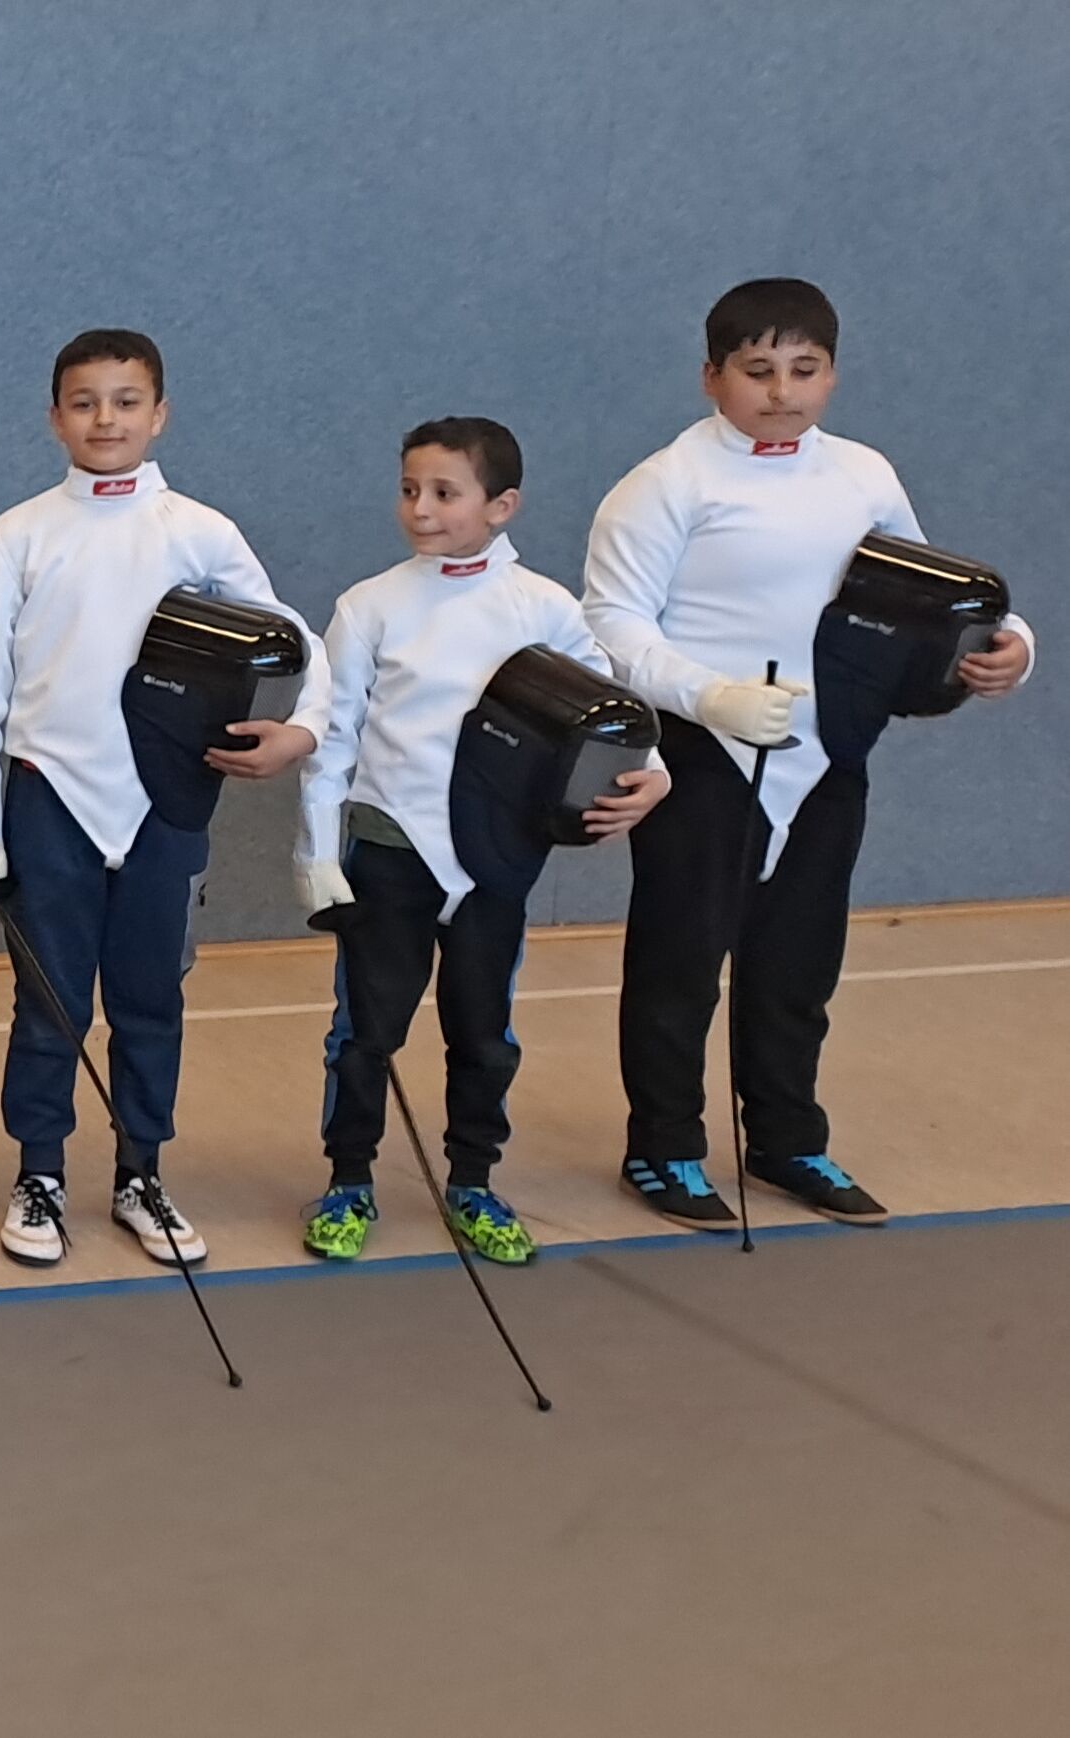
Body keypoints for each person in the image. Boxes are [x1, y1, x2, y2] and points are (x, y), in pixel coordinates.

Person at [584, 279, 1034, 1227]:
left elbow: (933, 595)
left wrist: (1012, 644)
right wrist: (709, 696)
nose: (781, 391)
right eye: (757, 370)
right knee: (681, 960)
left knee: (798, 960)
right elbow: (611, 626)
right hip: (706, 757)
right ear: (712, 376)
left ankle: (788, 1139)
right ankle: (663, 1147)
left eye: (804, 368)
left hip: (827, 754)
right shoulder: (667, 485)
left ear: (832, 374)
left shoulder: (863, 475)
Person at [0, 328, 320, 1271]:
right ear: (54, 418)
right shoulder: (17, 537)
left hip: (165, 803)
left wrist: (302, 730)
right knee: (50, 1004)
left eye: (125, 401)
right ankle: (39, 1173)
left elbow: (292, 642)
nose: (104, 419)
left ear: (160, 414)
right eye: (84, 402)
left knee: (152, 998)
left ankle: (140, 1173)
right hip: (49, 799)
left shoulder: (200, 533)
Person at [291, 418, 668, 1264]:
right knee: (365, 1032)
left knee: (484, 1031)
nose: (421, 509)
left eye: (444, 493)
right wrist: (316, 855)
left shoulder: (543, 607)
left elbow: (608, 712)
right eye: (409, 490)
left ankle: (473, 1181)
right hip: (390, 851)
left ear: (502, 506)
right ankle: (349, 1181)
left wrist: (655, 772)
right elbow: (333, 737)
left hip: (495, 858)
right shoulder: (370, 606)